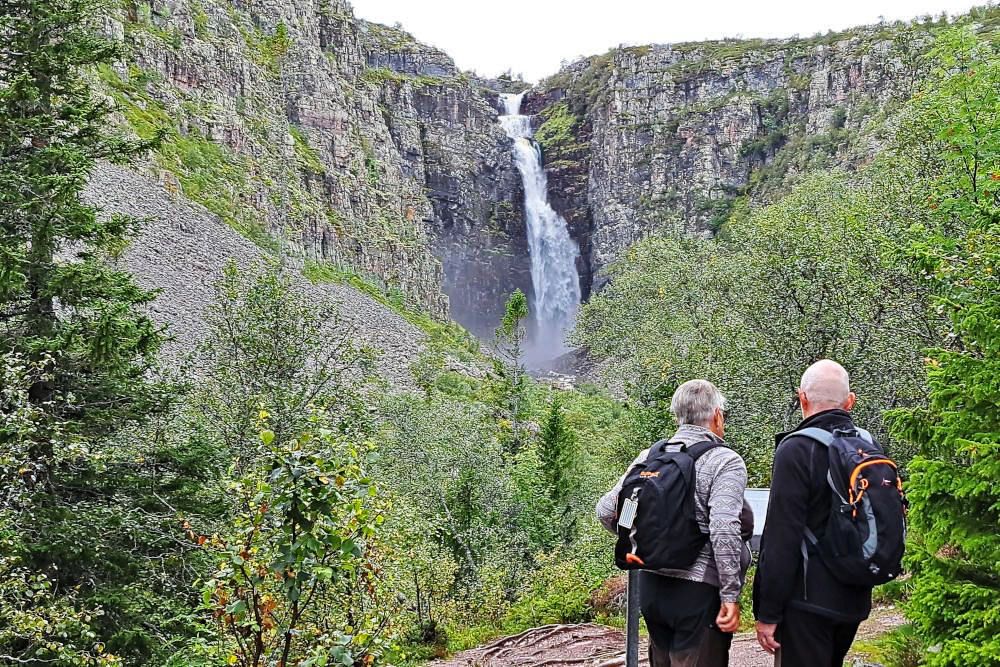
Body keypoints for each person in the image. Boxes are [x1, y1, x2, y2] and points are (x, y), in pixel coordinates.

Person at [597, 379, 753, 667]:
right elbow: (724, 529)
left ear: (677, 415)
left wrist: (640, 538)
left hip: (652, 589)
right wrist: (730, 593)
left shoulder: (650, 456)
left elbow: (607, 510)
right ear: (717, 415)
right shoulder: (725, 461)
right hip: (699, 594)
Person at [754, 359, 872, 665]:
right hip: (854, 596)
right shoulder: (867, 445)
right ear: (850, 401)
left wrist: (767, 611)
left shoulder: (796, 449)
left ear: (802, 398)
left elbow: (782, 537)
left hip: (807, 602)